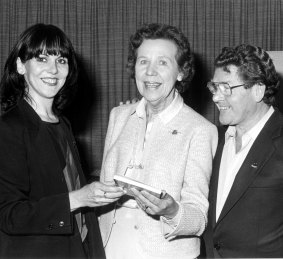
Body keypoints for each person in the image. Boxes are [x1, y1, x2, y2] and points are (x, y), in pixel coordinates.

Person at [0, 23, 125, 258]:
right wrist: (77, 199)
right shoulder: (8, 128)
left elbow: (66, 186)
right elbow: (9, 215)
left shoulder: (62, 123)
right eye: (42, 59)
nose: (53, 69)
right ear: (20, 65)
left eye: (61, 60)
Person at [98, 23, 218, 259]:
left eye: (162, 62)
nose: (150, 72)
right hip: (110, 247)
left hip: (164, 251)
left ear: (181, 72)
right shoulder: (118, 116)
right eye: (143, 61)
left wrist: (172, 210)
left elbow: (199, 218)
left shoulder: (200, 130)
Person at [203, 44, 283, 257]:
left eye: (226, 88)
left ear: (258, 90)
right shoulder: (214, 138)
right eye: (214, 87)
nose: (216, 98)